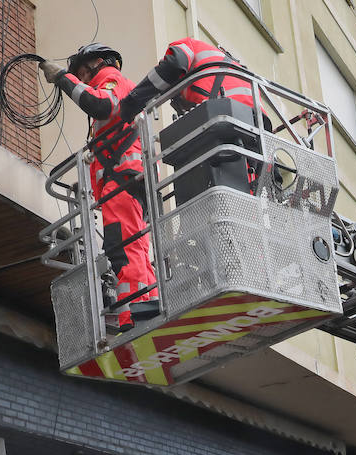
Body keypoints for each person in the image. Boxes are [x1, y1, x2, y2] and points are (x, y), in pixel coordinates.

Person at [41, 45, 159, 331]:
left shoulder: (111, 78)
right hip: (126, 181)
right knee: (135, 247)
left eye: (83, 71)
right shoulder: (119, 87)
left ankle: (133, 314)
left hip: (122, 181)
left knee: (121, 248)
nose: (82, 77)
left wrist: (63, 79)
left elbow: (101, 105)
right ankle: (148, 305)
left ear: (99, 63)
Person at [117, 38, 254, 123]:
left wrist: (133, 101)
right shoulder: (232, 69)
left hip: (228, 114)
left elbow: (173, 65)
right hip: (256, 123)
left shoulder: (187, 44)